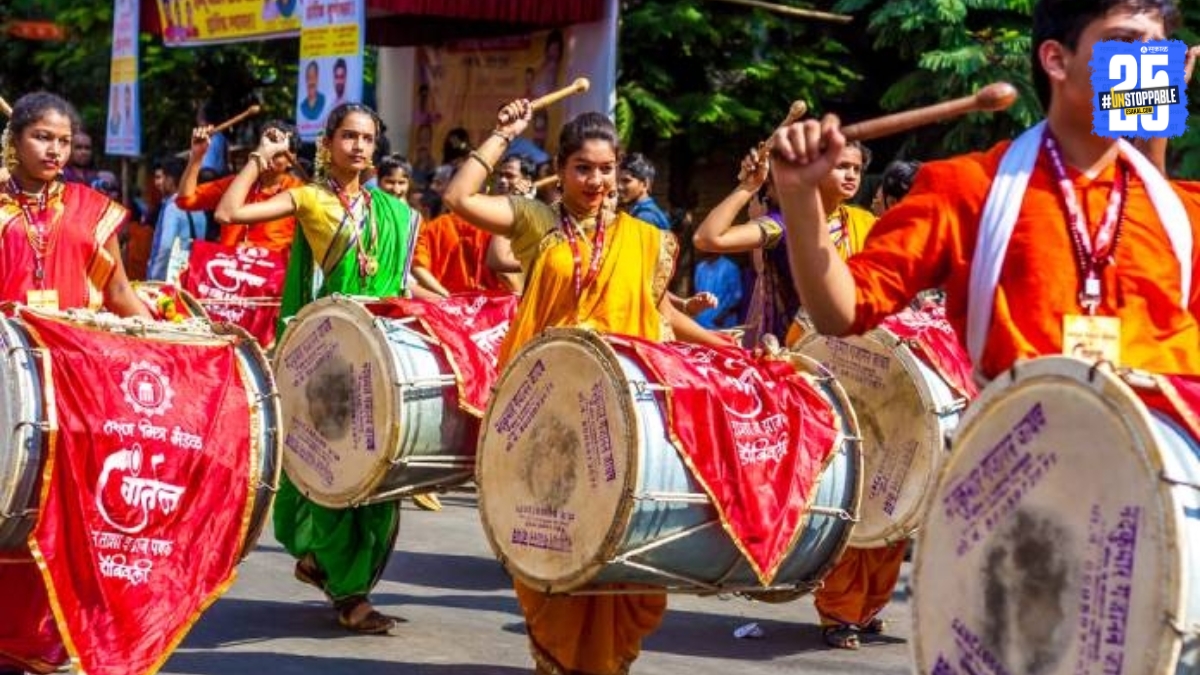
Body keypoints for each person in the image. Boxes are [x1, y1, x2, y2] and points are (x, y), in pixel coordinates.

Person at [768, 0, 1200, 645]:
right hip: (1020, 516)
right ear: (1056, 59)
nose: (1146, 63)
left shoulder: (1182, 214)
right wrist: (800, 198)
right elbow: (841, 310)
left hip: (1170, 524)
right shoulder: (970, 188)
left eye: (1156, 48)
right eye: (1121, 43)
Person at [444, 98, 729, 675]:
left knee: (624, 547)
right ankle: (560, 658)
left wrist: (717, 343)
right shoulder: (536, 222)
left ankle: (607, 661)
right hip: (542, 414)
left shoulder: (649, 241)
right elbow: (459, 199)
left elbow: (658, 316)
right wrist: (502, 134)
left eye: (606, 169)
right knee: (548, 543)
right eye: (582, 168)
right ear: (562, 168)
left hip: (618, 418)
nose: (596, 181)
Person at [215, 102, 421, 635]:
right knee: (333, 472)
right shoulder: (308, 198)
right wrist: (260, 162)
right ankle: (349, 593)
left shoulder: (394, 212)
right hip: (327, 364)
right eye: (348, 136)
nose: (358, 146)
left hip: (380, 360)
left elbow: (400, 282)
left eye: (368, 138)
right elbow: (229, 215)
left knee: (378, 477)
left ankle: (329, 569)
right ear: (326, 143)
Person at [0, 92, 149, 675]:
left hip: (77, 385)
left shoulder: (93, 209)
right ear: (15, 140)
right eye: (41, 137)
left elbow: (118, 294)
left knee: (61, 511)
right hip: (7, 384)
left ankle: (48, 636)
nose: (54, 149)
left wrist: (166, 341)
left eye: (63, 140)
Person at [692, 140, 872, 348]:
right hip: (792, 355)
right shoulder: (784, 225)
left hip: (850, 354)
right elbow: (706, 239)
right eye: (841, 166)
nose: (851, 175)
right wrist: (749, 186)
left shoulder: (864, 223)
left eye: (857, 169)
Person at [176, 120, 302, 252]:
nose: (268, 156)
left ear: (291, 159)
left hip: (273, 270)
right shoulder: (234, 185)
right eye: (265, 149)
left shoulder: (300, 193)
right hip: (229, 267)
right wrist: (196, 157)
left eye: (276, 153)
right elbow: (185, 200)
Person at [146, 157, 210, 282]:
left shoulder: (172, 207)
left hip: (170, 279)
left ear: (170, 180)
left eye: (163, 177)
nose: (159, 183)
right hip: (192, 276)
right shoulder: (199, 207)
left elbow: (165, 247)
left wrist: (154, 277)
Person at [617, 152, 671, 231]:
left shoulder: (645, 217)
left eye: (626, 181)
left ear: (645, 184)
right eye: (617, 181)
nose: (619, 187)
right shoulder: (645, 212)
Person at [692, 251, 743, 329]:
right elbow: (698, 293)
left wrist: (722, 316)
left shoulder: (730, 267)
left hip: (722, 324)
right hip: (701, 323)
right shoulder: (700, 268)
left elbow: (737, 298)